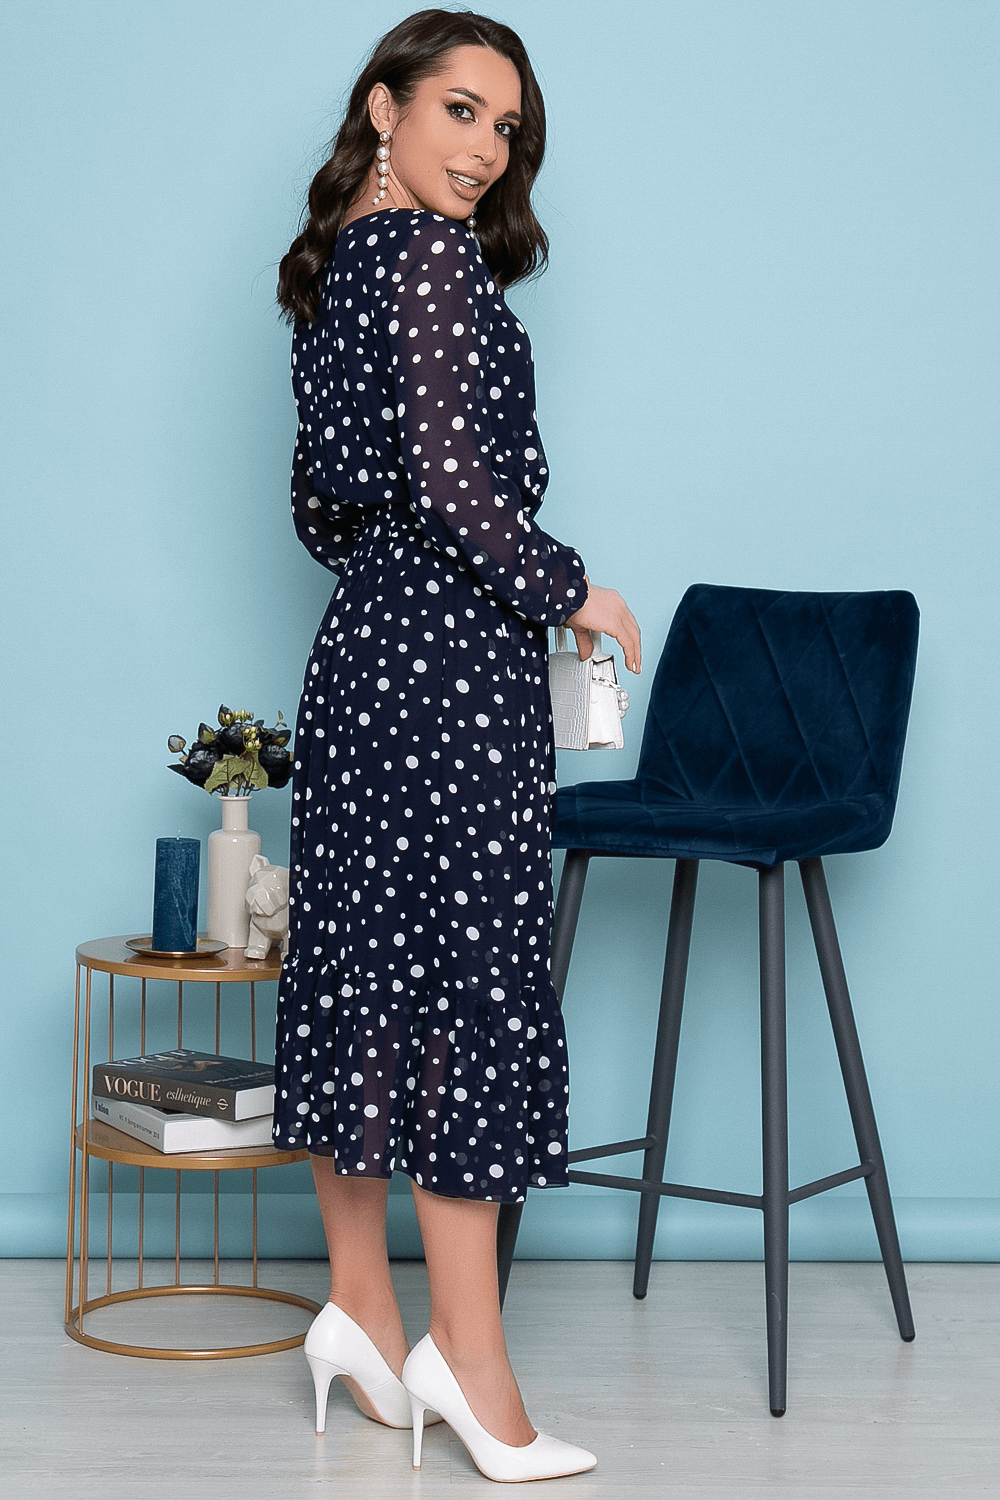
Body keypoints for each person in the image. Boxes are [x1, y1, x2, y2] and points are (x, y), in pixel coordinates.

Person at [273, 8, 640, 1483]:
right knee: (467, 984)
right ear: (385, 107)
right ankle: (472, 1366)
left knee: (363, 968)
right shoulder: (430, 261)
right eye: (461, 111)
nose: (485, 151)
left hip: (361, 658)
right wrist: (569, 588)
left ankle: (361, 1313)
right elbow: (446, 480)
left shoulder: (336, 273)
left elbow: (321, 510)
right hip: (448, 674)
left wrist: (403, 582)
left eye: (507, 129)